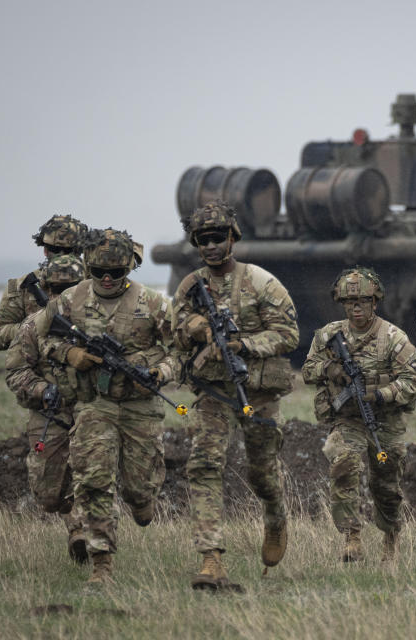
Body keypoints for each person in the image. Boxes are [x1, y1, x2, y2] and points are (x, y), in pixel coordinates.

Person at [35, 228, 178, 585]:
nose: (108, 279)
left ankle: (142, 501)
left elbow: (181, 349)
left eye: (116, 273)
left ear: (129, 268)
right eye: (99, 272)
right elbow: (40, 338)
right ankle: (102, 566)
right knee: (94, 481)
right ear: (89, 267)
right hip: (93, 404)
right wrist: (71, 353)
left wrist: (161, 370)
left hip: (140, 407)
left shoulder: (154, 303)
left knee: (139, 488)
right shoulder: (68, 301)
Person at [172, 201, 298, 591]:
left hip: (257, 391)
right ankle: (211, 558)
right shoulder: (191, 287)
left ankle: (276, 515)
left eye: (217, 238)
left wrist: (244, 344)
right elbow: (174, 329)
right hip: (214, 392)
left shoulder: (261, 282)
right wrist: (197, 328)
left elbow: (288, 335)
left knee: (261, 473)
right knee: (204, 465)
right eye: (202, 240)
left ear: (232, 238)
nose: (210, 246)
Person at [302, 267, 416, 562]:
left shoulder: (393, 338)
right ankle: (351, 536)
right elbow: (307, 370)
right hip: (348, 419)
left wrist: (380, 394)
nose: (356, 309)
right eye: (349, 303)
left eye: (363, 302)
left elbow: (413, 381)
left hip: (385, 422)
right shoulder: (329, 335)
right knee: (343, 466)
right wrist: (330, 369)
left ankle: (390, 535)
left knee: (386, 488)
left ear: (375, 302)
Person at [5, 254, 88, 563]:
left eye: (73, 288)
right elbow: (15, 371)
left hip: (89, 410)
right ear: (48, 289)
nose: (65, 295)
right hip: (49, 413)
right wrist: (43, 389)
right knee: (48, 493)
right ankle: (73, 521)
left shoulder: (95, 324)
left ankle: (87, 535)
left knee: (92, 474)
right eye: (58, 288)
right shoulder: (33, 326)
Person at [0, 215, 87, 351]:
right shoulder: (23, 286)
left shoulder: (97, 284)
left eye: (68, 251)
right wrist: (36, 326)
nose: (62, 256)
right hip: (37, 366)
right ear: (45, 250)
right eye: (55, 249)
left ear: (79, 251)